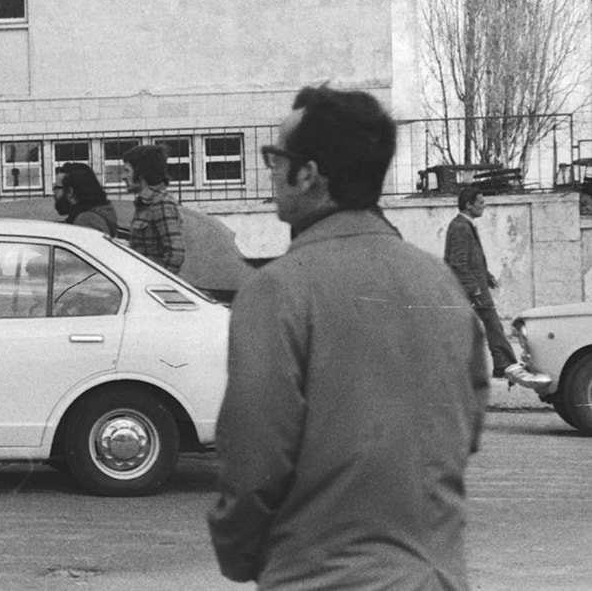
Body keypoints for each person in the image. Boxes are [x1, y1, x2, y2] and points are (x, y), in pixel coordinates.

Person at [208, 85, 488, 589]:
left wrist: (242, 555)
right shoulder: (439, 281)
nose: (270, 171)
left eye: (275, 158)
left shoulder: (277, 291)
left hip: (323, 575)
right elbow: (467, 421)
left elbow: (254, 461)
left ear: (308, 174)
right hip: (435, 574)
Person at [446, 187, 551, 390]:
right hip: (472, 290)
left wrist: (487, 276)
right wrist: (474, 288)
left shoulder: (464, 225)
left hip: (473, 286)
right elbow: (458, 263)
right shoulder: (460, 227)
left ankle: (501, 365)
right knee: (492, 324)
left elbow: (471, 258)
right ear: (469, 205)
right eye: (480, 202)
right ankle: (505, 365)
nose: (484, 206)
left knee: (480, 326)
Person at [122, 144, 184, 273]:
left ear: (141, 173)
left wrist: (159, 281)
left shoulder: (161, 203)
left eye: (127, 171)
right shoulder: (145, 203)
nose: (123, 176)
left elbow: (175, 254)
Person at [53, 162, 116, 236]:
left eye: (57, 188)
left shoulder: (85, 223)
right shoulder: (93, 217)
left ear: (70, 191)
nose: (54, 193)